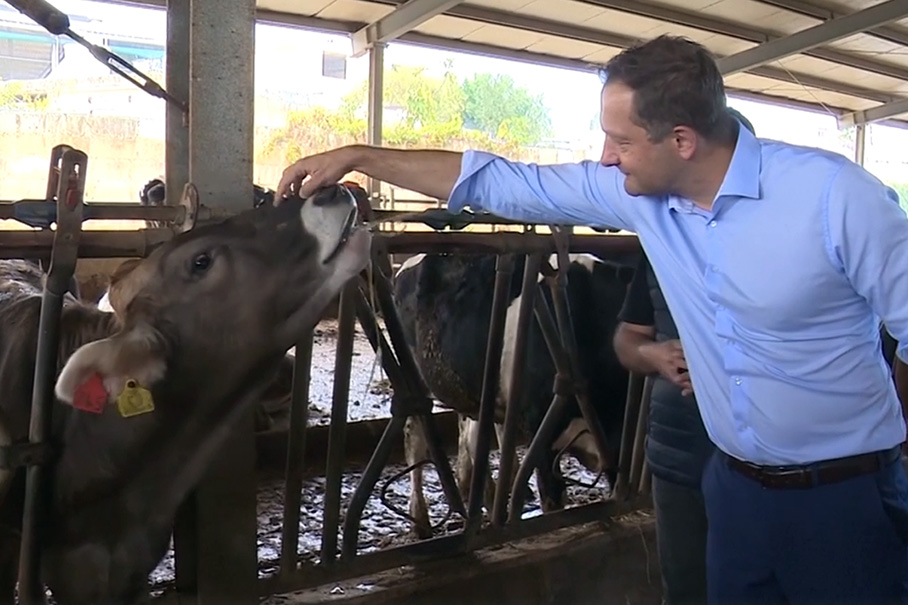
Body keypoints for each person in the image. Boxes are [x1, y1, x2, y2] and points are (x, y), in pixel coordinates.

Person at [276, 34, 908, 603]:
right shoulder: (647, 195)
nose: (606, 158)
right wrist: (359, 156)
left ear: (682, 140)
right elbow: (499, 181)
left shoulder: (835, 198)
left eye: (622, 141)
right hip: (734, 489)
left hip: (845, 496)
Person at [613, 110, 756, 605]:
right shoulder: (660, 244)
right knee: (688, 585)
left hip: (766, 460)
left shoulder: (783, 246)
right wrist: (654, 354)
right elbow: (627, 340)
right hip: (678, 451)